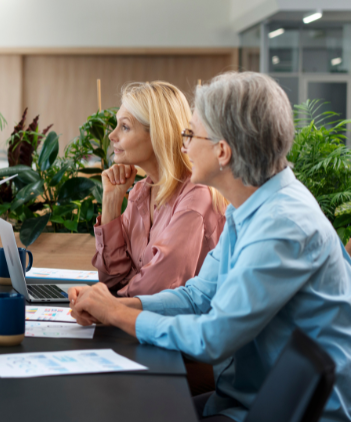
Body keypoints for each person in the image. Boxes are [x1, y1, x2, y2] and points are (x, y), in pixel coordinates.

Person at [70, 72, 351, 422]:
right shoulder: (246, 208)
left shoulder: (282, 225)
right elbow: (196, 296)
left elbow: (213, 337)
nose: (182, 145)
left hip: (282, 413)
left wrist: (116, 314)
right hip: (242, 399)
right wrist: (113, 304)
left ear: (222, 151)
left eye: (189, 134)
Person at [93, 81, 226, 297]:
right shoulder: (140, 192)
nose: (112, 135)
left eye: (125, 127)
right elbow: (111, 279)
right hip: (139, 322)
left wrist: (105, 304)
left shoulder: (196, 197)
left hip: (180, 327)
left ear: (157, 134)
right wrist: (111, 201)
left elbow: (158, 290)